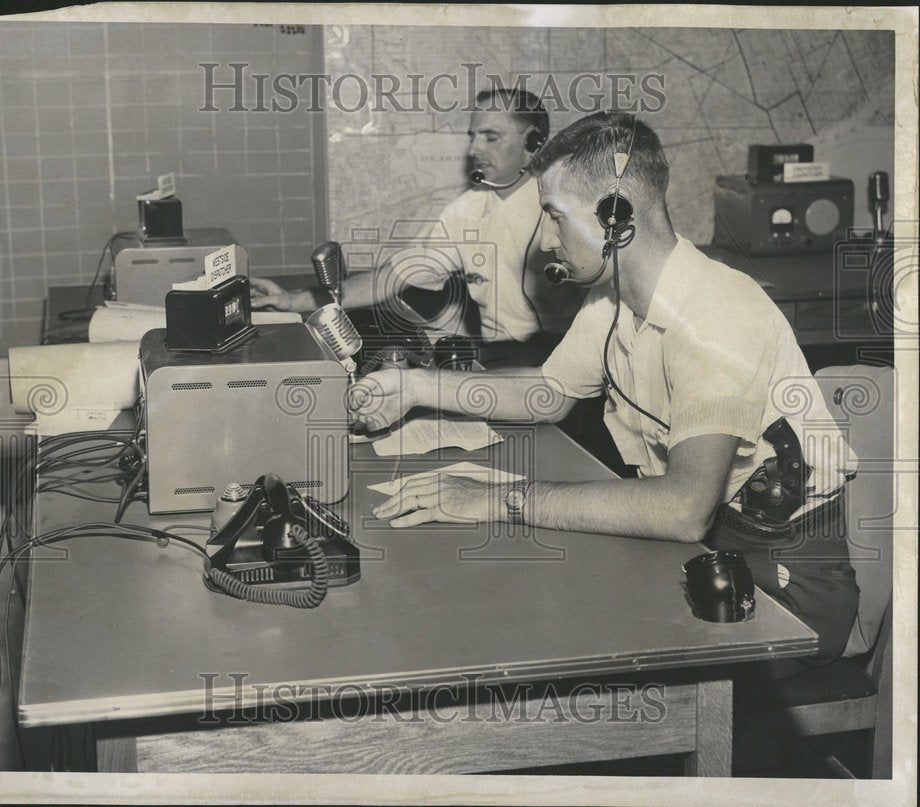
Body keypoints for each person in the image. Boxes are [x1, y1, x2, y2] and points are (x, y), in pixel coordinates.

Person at [348, 111, 860, 670]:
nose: (545, 241)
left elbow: (682, 510)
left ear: (616, 217)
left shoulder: (718, 316)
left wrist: (494, 500)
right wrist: (415, 386)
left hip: (781, 584)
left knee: (565, 661)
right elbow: (546, 393)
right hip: (710, 549)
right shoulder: (612, 301)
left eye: (554, 216)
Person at [249, 88, 586, 364]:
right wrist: (295, 300)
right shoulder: (468, 210)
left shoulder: (567, 205)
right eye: (473, 136)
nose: (473, 149)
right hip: (502, 362)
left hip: (567, 358)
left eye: (491, 137)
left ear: (535, 143)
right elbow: (391, 277)